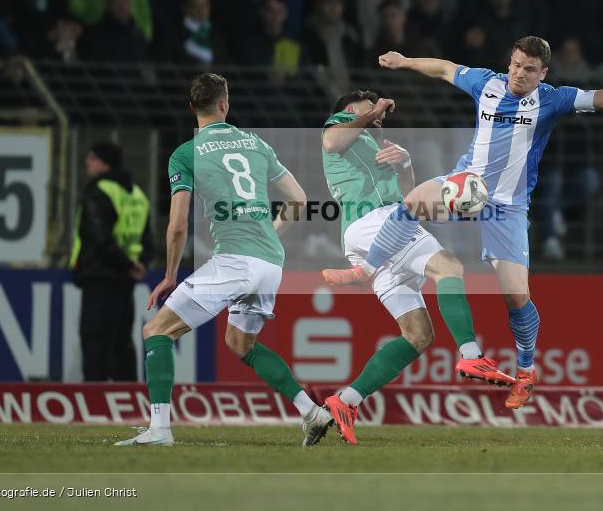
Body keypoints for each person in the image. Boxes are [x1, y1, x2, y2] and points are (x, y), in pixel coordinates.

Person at [322, 36, 603, 409]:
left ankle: (526, 372)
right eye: (516, 64)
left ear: (542, 73)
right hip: (467, 184)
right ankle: (365, 270)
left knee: (517, 296)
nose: (519, 73)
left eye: (528, 69)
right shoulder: (488, 83)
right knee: (414, 201)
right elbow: (446, 68)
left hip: (508, 207)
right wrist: (405, 61)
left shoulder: (552, 98)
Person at [116, 73, 332, 447]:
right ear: (224, 104)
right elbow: (299, 200)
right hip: (269, 264)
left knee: (157, 331)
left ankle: (159, 430)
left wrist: (169, 276)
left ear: (191, 109)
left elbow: (178, 226)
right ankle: (311, 412)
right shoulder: (257, 145)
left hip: (234, 260)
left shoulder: (186, 153)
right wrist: (269, 233)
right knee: (241, 343)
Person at [320, 89, 514, 444]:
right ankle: (471, 355)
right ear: (351, 109)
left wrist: (405, 164)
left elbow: (405, 197)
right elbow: (331, 141)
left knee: (418, 335)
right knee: (449, 267)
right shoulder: (342, 125)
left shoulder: (372, 146)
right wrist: (371, 111)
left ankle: (346, 400)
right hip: (375, 223)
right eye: (371, 106)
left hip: (369, 235)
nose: (380, 114)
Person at [70, 142, 152, 382]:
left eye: (92, 157)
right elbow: (147, 240)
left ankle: (94, 400)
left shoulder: (99, 192)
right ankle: (126, 398)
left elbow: (98, 237)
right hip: (126, 280)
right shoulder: (137, 195)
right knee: (121, 342)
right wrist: (138, 264)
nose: (88, 162)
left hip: (99, 276)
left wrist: (125, 264)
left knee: (95, 339)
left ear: (103, 162)